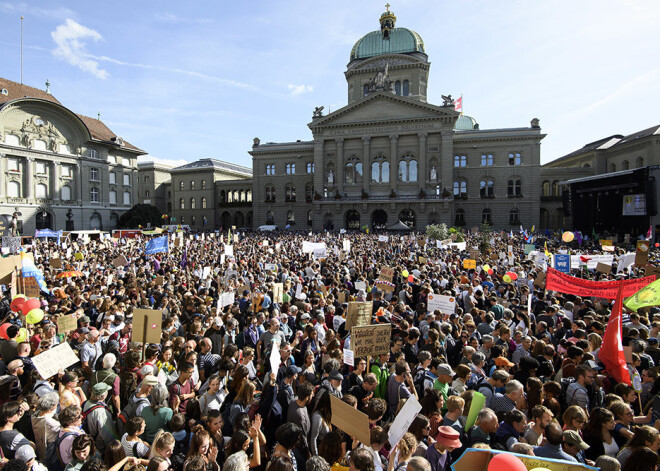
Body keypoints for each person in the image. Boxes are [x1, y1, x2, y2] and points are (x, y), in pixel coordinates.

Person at [30, 392, 60, 462]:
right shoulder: (49, 421)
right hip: (51, 450)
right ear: (52, 406)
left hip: (40, 448)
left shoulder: (35, 415)